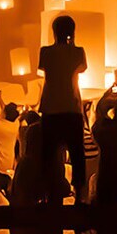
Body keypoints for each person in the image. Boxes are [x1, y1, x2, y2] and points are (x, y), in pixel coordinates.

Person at [35, 16, 88, 203]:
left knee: (48, 155)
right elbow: (82, 68)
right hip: (72, 107)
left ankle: (46, 194)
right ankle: (80, 194)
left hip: (50, 108)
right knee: (76, 153)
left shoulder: (46, 52)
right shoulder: (78, 52)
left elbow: (45, 68)